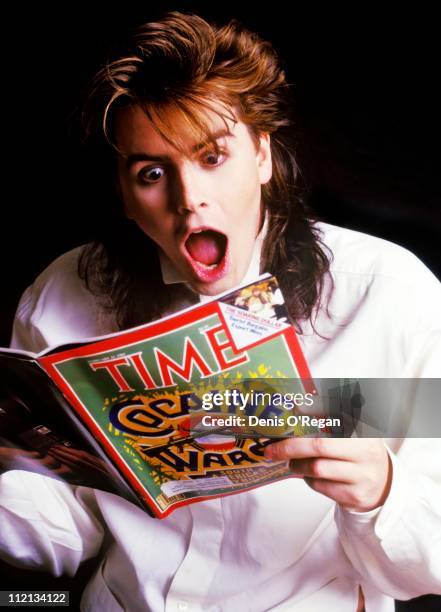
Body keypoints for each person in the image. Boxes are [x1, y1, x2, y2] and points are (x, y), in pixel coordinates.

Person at [1, 11, 441, 612]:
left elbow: (429, 565)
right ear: (126, 196)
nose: (189, 199)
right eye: (153, 173)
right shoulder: (64, 293)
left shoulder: (391, 295)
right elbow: (65, 530)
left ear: (261, 155)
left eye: (212, 157)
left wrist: (381, 494)